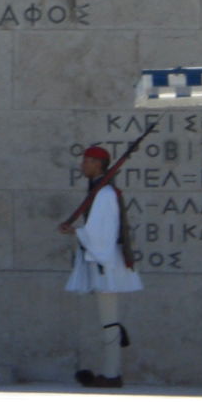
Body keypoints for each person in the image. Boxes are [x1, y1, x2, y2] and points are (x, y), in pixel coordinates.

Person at [59, 143, 142, 388]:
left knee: (108, 320)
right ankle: (110, 371)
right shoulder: (100, 191)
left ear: (98, 165)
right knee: (108, 318)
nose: (83, 165)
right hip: (103, 259)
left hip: (105, 260)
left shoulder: (104, 194)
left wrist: (75, 232)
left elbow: (102, 233)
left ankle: (111, 374)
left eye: (87, 161)